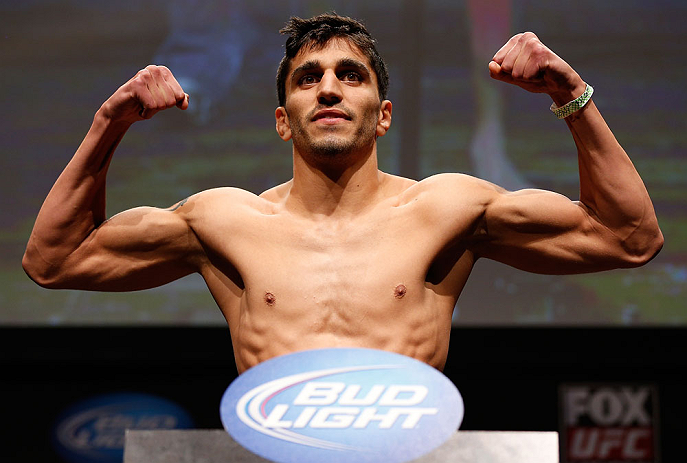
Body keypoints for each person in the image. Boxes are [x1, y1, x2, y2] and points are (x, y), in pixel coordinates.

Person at [23, 14, 663, 374]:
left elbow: (629, 240)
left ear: (382, 114)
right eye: (308, 79)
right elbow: (54, 262)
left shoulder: (447, 209)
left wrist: (569, 92)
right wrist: (110, 122)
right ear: (282, 119)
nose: (328, 89)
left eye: (349, 75)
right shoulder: (223, 219)